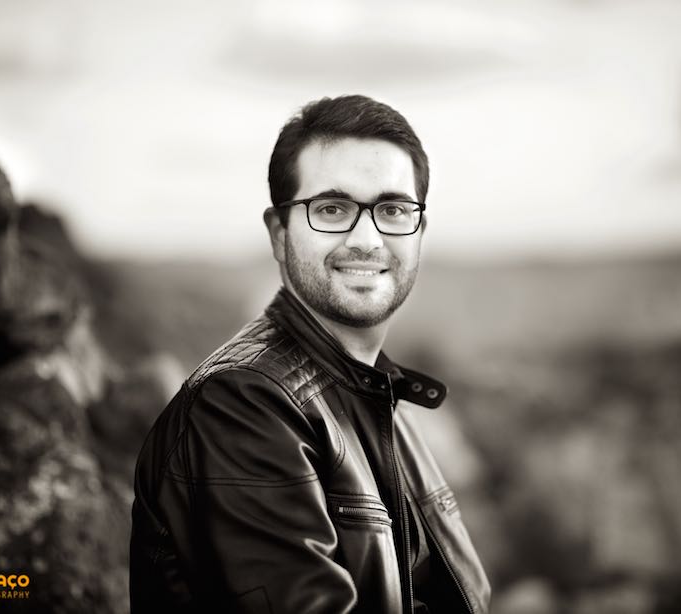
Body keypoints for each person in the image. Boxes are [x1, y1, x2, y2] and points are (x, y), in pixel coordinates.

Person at [130, 95, 491, 613]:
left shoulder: (376, 394)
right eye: (332, 209)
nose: (367, 239)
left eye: (392, 210)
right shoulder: (241, 406)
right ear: (279, 234)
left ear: (419, 233)